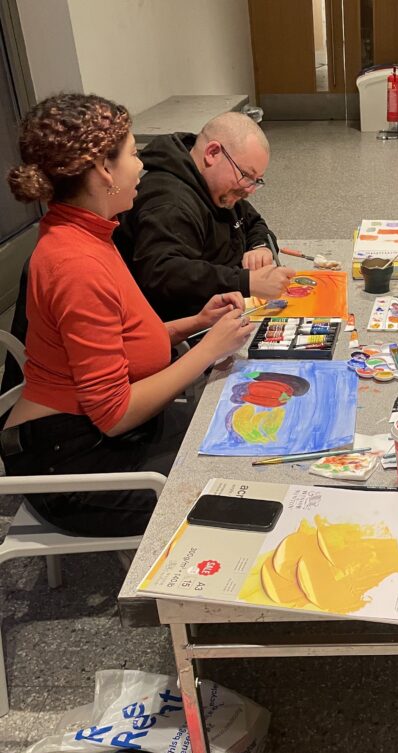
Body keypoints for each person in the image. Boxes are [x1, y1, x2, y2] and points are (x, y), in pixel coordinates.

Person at [1, 93, 253, 537]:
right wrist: (209, 350)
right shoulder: (74, 262)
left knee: (241, 438)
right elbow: (114, 414)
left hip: (91, 434)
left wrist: (196, 322)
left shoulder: (87, 231)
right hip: (71, 461)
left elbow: (121, 338)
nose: (142, 166)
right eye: (135, 155)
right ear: (103, 171)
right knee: (239, 485)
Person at [114, 111, 295, 321]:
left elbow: (252, 221)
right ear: (213, 153)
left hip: (227, 306)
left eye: (257, 180)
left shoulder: (219, 188)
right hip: (186, 327)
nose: (249, 189)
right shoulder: (169, 203)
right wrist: (246, 282)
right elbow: (164, 274)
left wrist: (259, 246)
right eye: (246, 175)